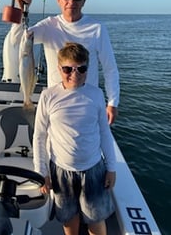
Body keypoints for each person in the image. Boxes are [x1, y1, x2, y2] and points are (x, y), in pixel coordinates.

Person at [3, 0, 119, 124]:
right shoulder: (49, 25)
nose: (71, 1)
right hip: (56, 105)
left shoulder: (97, 28)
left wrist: (112, 103)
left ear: (84, 1)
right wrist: (23, 8)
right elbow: (20, 39)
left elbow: (110, 68)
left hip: (88, 105)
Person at [33, 42, 116, 235]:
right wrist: (41, 172)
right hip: (61, 171)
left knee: (96, 222)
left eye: (81, 69)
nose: (75, 74)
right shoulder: (48, 96)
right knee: (69, 221)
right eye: (68, 69)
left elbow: (104, 132)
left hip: (93, 169)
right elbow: (39, 135)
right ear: (59, 69)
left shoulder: (96, 94)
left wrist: (111, 168)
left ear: (88, 68)